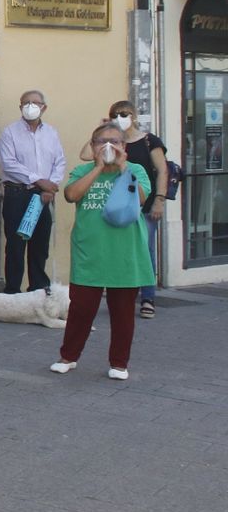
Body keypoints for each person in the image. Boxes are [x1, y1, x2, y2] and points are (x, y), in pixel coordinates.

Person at [51, 122, 152, 380]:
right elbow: (71, 195)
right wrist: (97, 168)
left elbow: (141, 197)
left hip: (125, 253)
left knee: (123, 312)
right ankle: (68, 357)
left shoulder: (136, 170)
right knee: (81, 310)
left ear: (124, 147)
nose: (109, 146)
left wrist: (122, 168)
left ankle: (119, 363)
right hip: (90, 252)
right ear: (93, 146)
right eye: (102, 142)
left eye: (115, 142)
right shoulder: (82, 170)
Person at [94, 101, 167, 318]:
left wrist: (159, 201)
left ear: (134, 115)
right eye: (115, 114)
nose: (120, 117)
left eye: (124, 114)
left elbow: (162, 170)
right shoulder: (113, 142)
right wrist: (98, 130)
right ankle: (119, 291)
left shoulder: (148, 141)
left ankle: (147, 297)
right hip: (116, 205)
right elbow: (86, 155)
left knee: (145, 249)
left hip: (144, 204)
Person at [0, 89, 66, 294]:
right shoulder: (10, 133)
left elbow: (59, 162)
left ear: (44, 107)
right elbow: (9, 164)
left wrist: (50, 186)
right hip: (18, 194)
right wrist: (39, 181)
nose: (30, 106)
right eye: (26, 102)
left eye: (35, 102)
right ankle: (12, 291)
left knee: (40, 245)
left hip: (44, 196)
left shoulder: (51, 133)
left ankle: (38, 288)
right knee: (16, 244)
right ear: (20, 107)